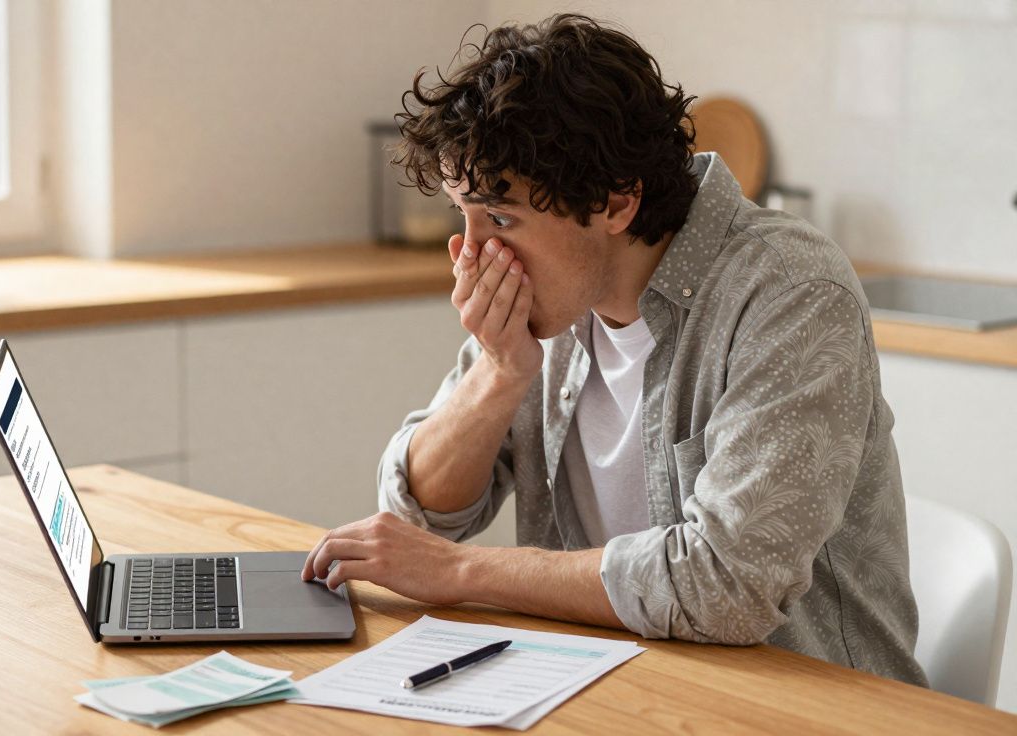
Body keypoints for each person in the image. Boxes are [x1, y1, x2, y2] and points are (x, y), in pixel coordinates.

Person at [300, 13, 927, 686]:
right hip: (612, 685)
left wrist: (461, 574)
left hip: (809, 707)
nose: (469, 255)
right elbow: (417, 516)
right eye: (464, 214)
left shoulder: (788, 290)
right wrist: (499, 371)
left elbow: (728, 585)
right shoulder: (557, 300)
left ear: (618, 201)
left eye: (501, 218)